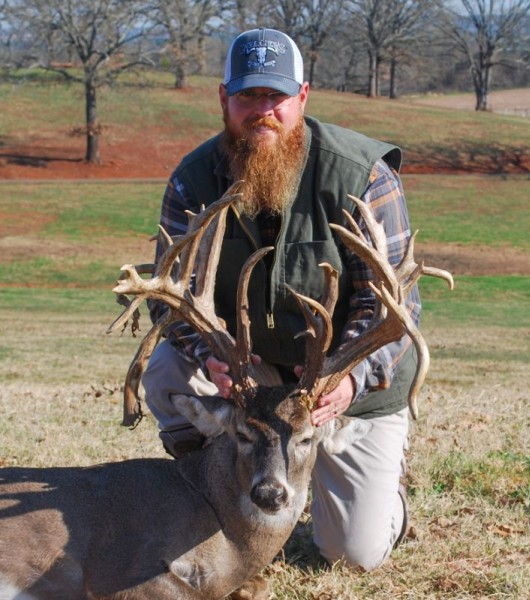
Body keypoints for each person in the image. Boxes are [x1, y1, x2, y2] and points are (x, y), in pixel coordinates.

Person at [142, 27, 420, 572]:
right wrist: (210, 358)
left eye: (276, 96)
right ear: (225, 100)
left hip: (343, 387)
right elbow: (170, 304)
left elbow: (394, 309)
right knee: (169, 369)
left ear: (303, 98)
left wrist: (349, 378)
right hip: (252, 379)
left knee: (352, 554)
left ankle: (387, 504)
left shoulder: (363, 175)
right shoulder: (193, 182)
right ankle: (222, 498)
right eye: (248, 96)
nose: (262, 111)